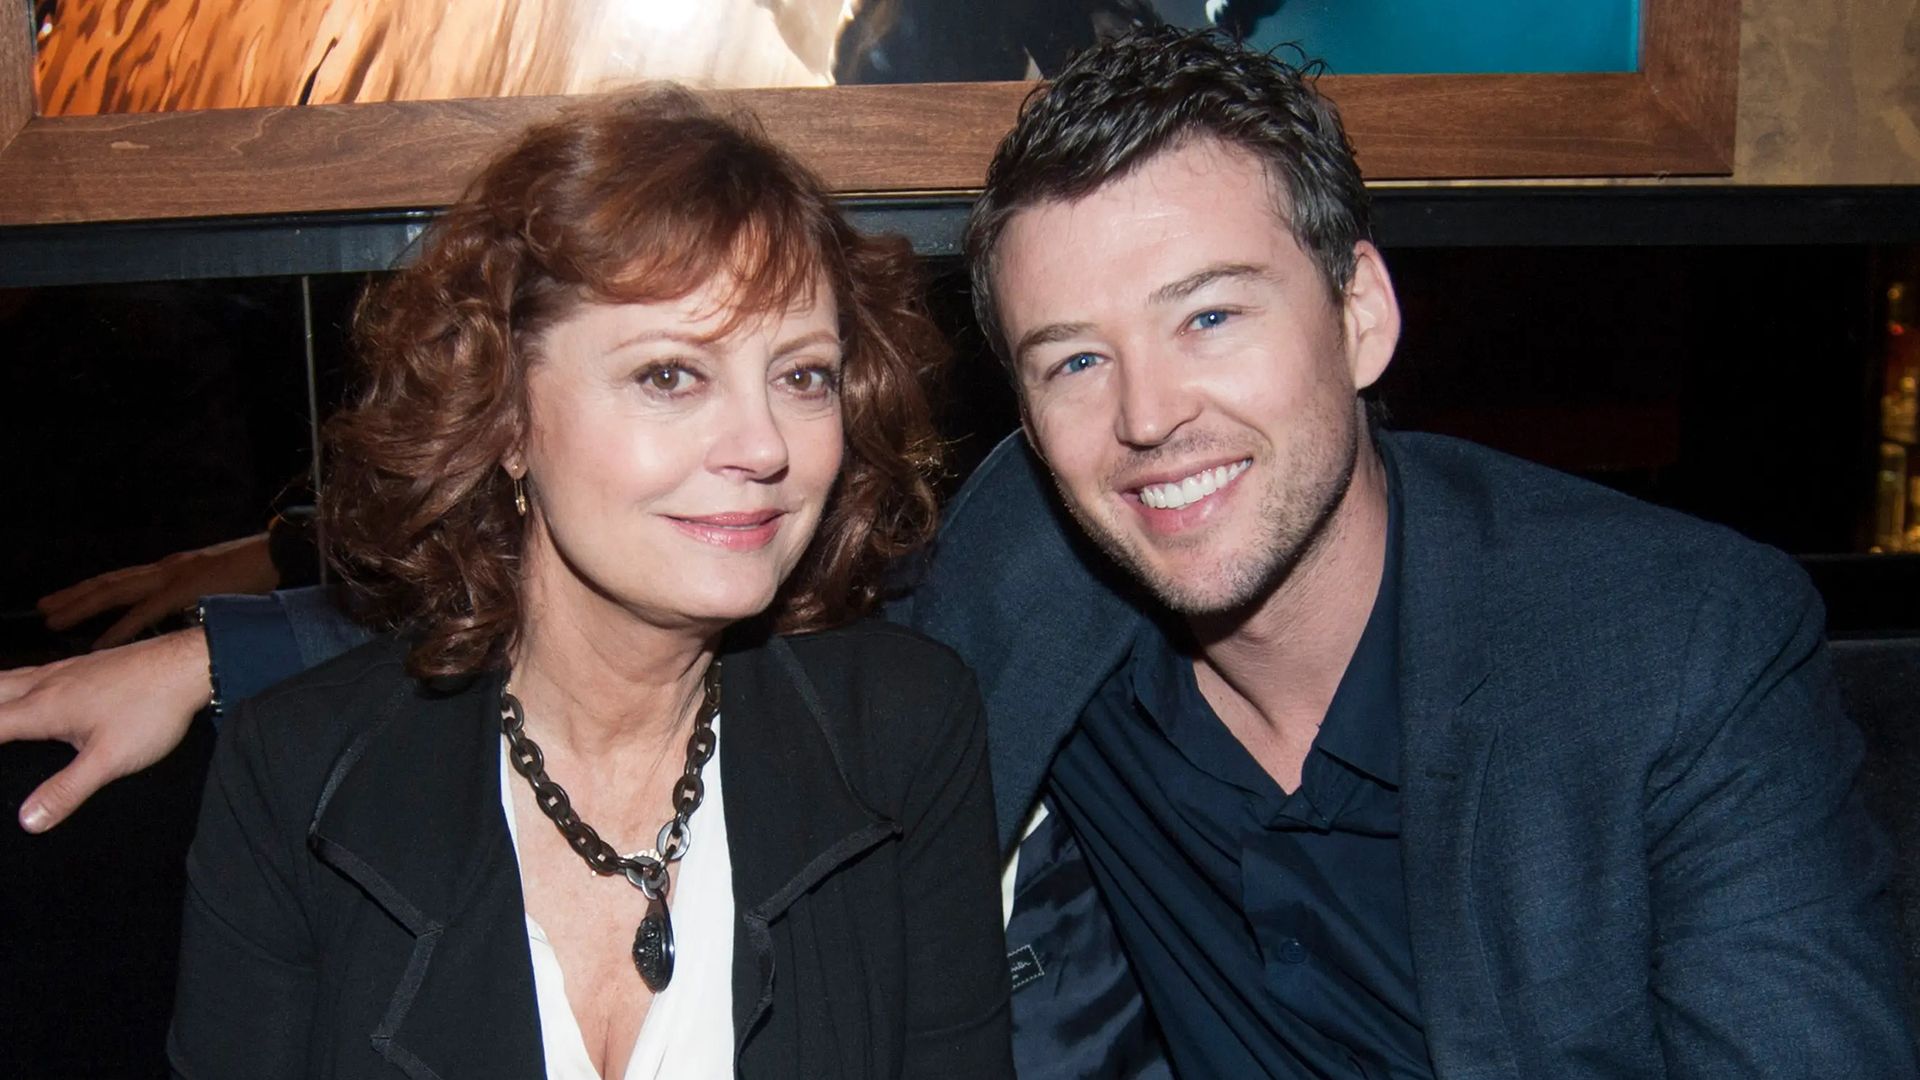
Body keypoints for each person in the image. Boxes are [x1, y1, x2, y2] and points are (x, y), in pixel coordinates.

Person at [5, 27, 1914, 1078]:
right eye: (1074, 358)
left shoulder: (1672, 643)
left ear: (1366, 317)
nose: (1150, 415)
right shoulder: (1038, 560)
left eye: (1216, 318)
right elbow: (665, 558)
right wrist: (220, 659)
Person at [156, 87, 1011, 1079]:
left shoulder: (904, 732)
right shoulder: (292, 779)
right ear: (506, 414)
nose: (765, 445)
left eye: (803, 375)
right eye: (669, 376)